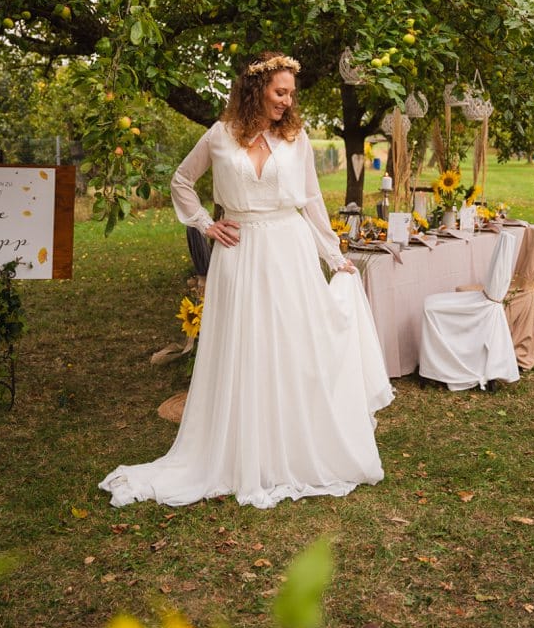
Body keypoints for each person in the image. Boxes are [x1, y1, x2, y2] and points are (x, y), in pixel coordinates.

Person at [99, 52, 393, 510]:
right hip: (238, 254)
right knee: (244, 345)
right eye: (281, 92)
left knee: (292, 344)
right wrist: (205, 223)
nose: (287, 101)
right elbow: (181, 180)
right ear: (257, 90)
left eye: (291, 93)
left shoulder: (296, 140)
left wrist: (335, 257)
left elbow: (312, 201)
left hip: (289, 250)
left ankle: (291, 447)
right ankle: (240, 448)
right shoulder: (219, 136)